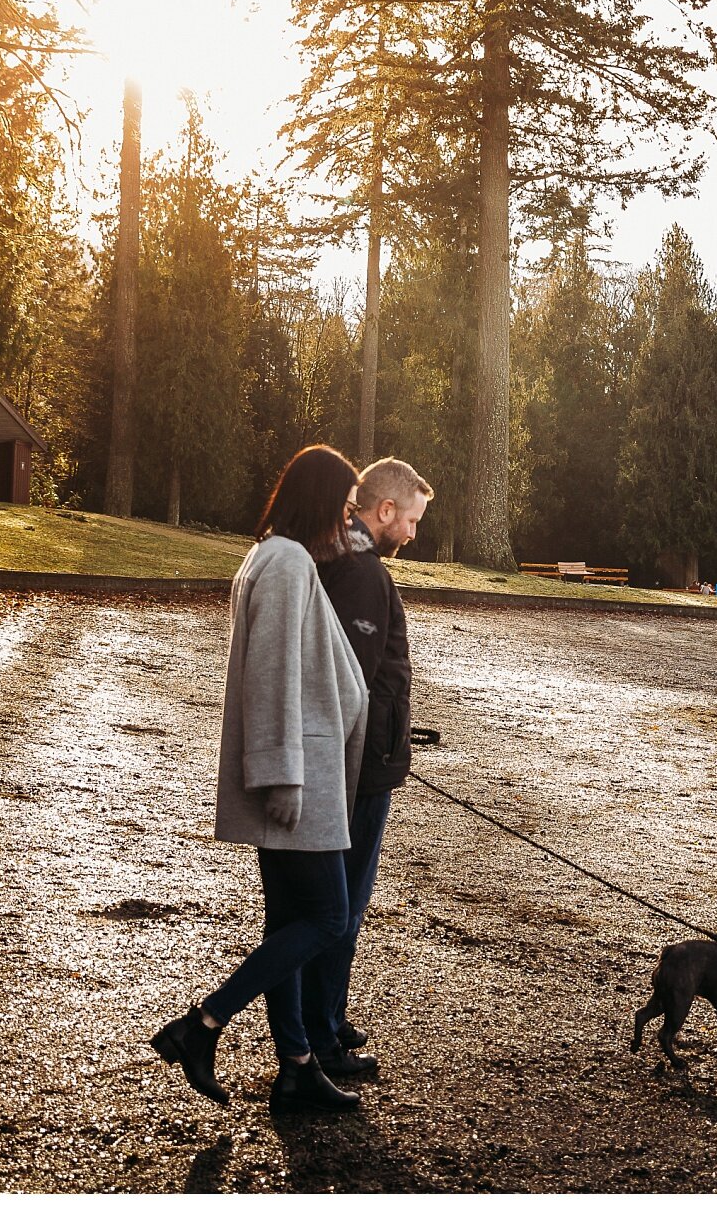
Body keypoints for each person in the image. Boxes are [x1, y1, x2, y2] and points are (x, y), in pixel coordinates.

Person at [150, 445, 370, 1113]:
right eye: (344, 506)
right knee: (330, 916)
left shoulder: (276, 557)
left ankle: (297, 1066)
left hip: (298, 775)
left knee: (288, 924)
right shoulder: (285, 562)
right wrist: (278, 773)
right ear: (320, 502)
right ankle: (202, 1024)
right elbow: (270, 673)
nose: (347, 521)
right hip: (296, 781)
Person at [308, 457, 432, 1082]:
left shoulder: (349, 561)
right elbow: (349, 684)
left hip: (365, 762)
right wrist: (375, 753)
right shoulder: (360, 573)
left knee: (339, 905)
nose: (411, 533)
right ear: (383, 511)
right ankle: (323, 1036)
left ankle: (326, 1016)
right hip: (360, 772)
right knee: (344, 908)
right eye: (409, 520)